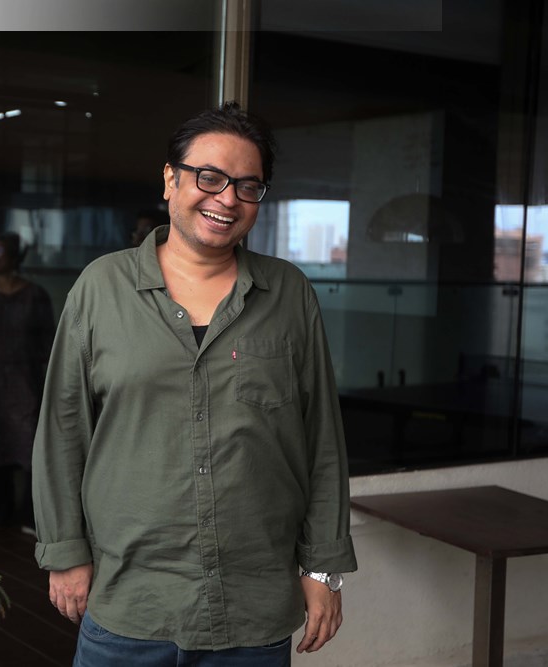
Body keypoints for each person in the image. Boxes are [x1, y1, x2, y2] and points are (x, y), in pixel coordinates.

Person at [32, 102, 357, 666]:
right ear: (170, 179)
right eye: (210, 177)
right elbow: (63, 430)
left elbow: (321, 442)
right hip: (129, 600)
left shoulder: (289, 294)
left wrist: (322, 565)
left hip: (253, 608)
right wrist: (65, 553)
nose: (227, 198)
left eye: (248, 186)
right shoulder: (101, 288)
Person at [0, 232, 53, 532]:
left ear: (15, 256)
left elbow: (49, 338)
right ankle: (0, 512)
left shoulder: (35, 294)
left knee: (31, 447)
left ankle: (30, 515)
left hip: (25, 380)